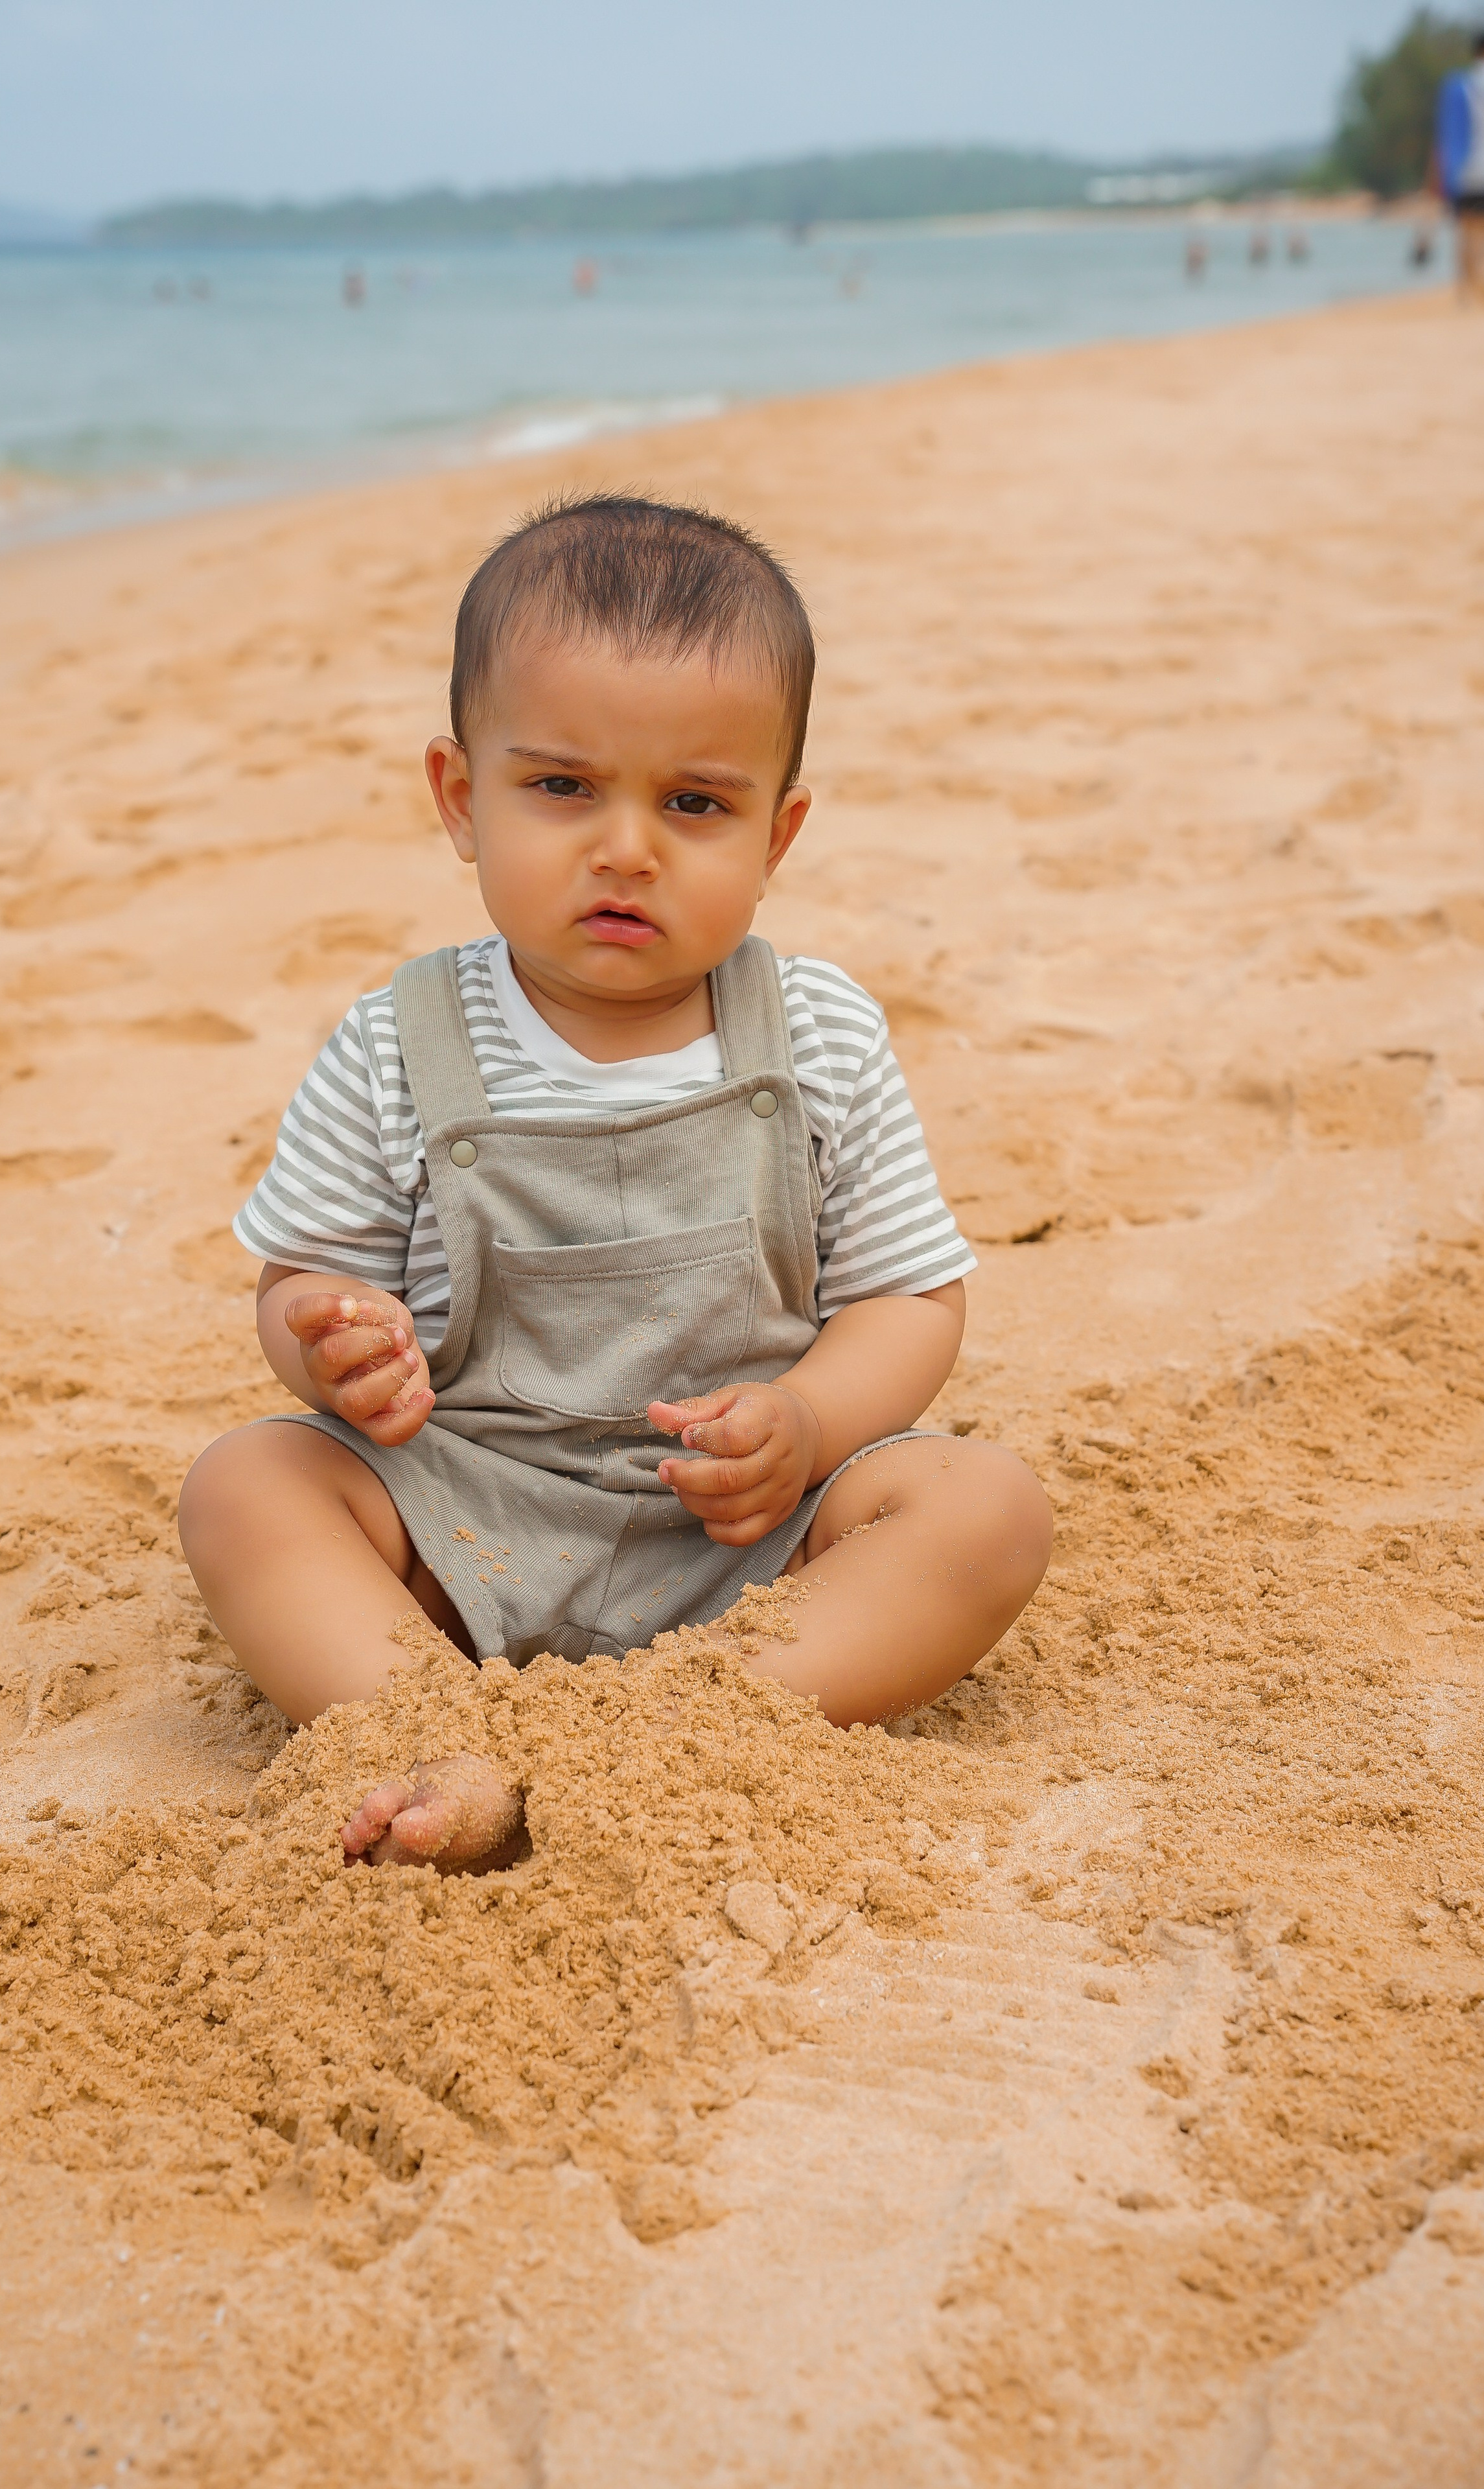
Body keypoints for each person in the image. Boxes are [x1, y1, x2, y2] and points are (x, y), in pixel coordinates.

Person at [178, 496, 1053, 1871]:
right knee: (246, 1483)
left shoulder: (816, 1033)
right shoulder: (397, 1044)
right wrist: (331, 1344)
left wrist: (810, 1422)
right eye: (562, 787)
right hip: (463, 1529)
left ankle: (700, 1721)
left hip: (745, 1552)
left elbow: (907, 1298)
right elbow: (303, 1277)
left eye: (694, 804)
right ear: (463, 800)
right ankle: (425, 1725)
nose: (626, 847)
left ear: (777, 834)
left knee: (986, 1507)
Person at [1435, 26, 1484, 303]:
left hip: (1467, 172)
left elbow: (1447, 134)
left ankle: (1466, 290)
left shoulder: (1459, 85)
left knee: (1466, 232)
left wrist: (1439, 179)